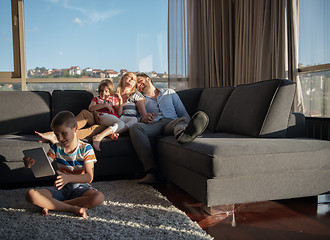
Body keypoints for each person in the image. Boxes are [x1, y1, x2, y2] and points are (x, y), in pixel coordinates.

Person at [130, 73, 209, 185]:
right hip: (154, 125)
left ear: (148, 79)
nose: (138, 85)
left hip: (172, 122)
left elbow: (183, 114)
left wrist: (187, 122)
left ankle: (185, 134)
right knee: (136, 128)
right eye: (136, 84)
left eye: (140, 81)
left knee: (180, 122)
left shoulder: (169, 92)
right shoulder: (140, 100)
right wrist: (143, 119)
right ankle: (152, 173)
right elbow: (135, 117)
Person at [23, 111, 104, 219]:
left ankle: (54, 205)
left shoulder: (86, 148)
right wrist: (31, 163)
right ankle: (72, 208)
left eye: (63, 133)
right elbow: (44, 164)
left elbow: (89, 177)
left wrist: (69, 178)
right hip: (61, 188)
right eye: (56, 134)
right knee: (30, 194)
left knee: (98, 197)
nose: (60, 138)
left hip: (81, 187)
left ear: (75, 129)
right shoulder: (56, 147)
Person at [90, 72, 148, 149]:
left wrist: (149, 118)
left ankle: (103, 135)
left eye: (134, 79)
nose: (132, 79)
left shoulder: (136, 95)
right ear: (122, 79)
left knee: (134, 120)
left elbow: (144, 114)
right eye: (129, 77)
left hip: (128, 120)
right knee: (119, 122)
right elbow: (99, 103)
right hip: (115, 118)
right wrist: (95, 112)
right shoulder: (112, 94)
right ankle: (110, 132)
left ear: (134, 84)